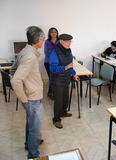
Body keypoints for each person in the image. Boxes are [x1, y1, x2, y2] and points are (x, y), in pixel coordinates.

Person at [11, 26, 45, 159]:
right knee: (35, 128)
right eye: (43, 39)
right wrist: (24, 99)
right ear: (38, 40)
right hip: (32, 98)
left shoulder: (24, 51)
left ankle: (29, 143)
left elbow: (13, 70)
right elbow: (15, 80)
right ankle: (33, 155)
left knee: (31, 124)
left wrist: (25, 89)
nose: (43, 41)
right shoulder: (30, 56)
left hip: (31, 95)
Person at [49, 34, 79, 129]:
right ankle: (56, 119)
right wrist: (65, 67)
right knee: (58, 100)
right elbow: (53, 68)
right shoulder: (55, 52)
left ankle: (63, 112)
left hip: (66, 78)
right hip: (57, 79)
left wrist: (74, 73)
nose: (69, 43)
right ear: (61, 41)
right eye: (67, 41)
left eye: (70, 41)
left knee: (65, 98)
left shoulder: (68, 51)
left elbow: (70, 65)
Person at [44, 27, 59, 99]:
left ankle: (52, 92)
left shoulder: (59, 41)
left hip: (57, 63)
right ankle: (51, 93)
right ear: (50, 33)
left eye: (55, 32)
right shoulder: (47, 42)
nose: (54, 33)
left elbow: (61, 52)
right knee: (51, 78)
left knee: (55, 78)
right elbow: (46, 53)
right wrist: (54, 49)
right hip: (48, 63)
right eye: (52, 32)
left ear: (57, 33)